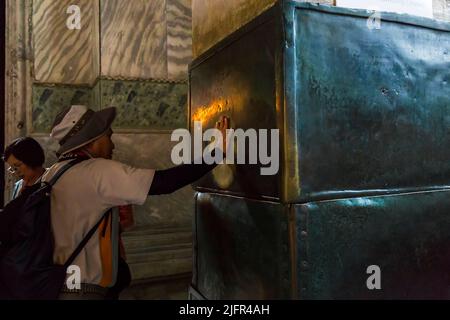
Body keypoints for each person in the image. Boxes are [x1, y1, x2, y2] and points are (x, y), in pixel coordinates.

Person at [43, 105, 229, 300]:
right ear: (92, 140)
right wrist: (217, 152)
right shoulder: (97, 171)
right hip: (81, 291)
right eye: (108, 136)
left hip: (56, 284)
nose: (112, 145)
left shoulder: (53, 173)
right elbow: (166, 182)